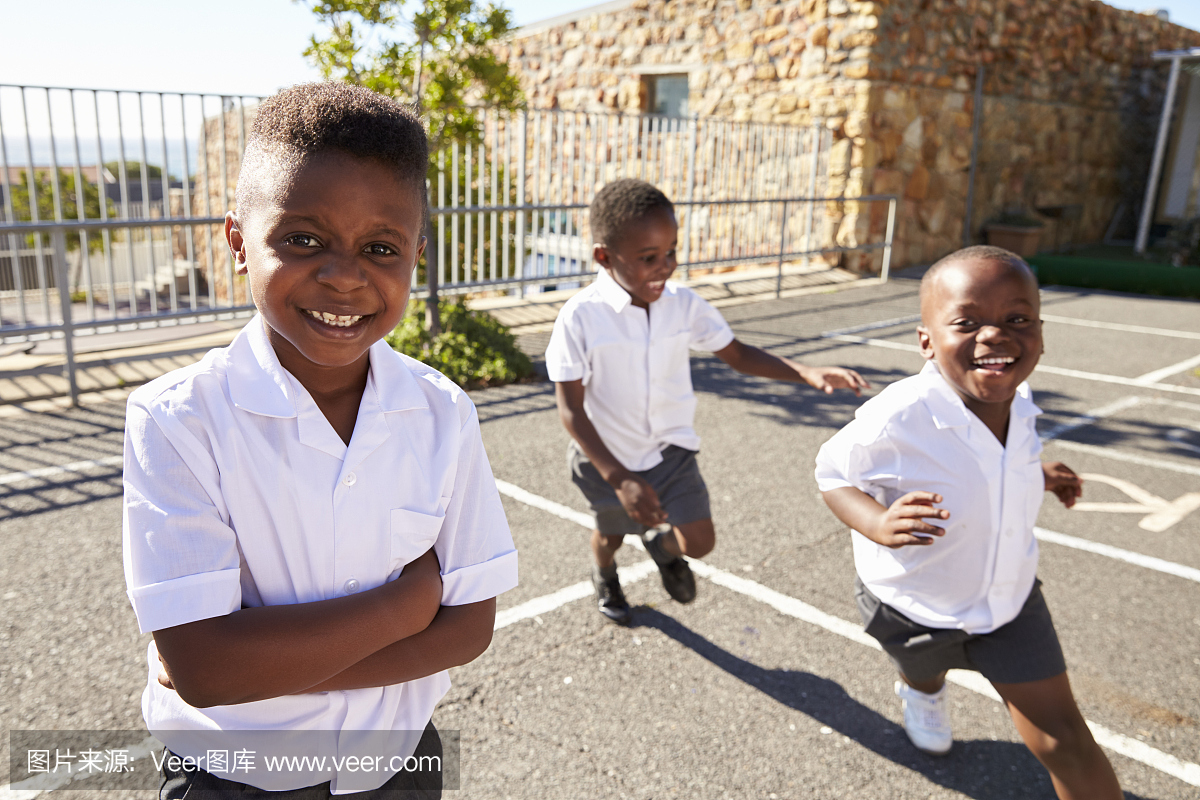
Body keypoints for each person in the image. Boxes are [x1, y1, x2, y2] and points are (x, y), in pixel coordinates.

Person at [121, 82, 518, 799]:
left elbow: (469, 627)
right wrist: (405, 608)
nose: (344, 276)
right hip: (232, 779)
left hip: (400, 765)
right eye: (303, 239)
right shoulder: (178, 420)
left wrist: (258, 668)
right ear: (240, 243)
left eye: (380, 247)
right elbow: (206, 672)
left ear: (415, 256)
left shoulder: (441, 413)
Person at [815, 246, 1121, 798]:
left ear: (1041, 332)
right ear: (926, 341)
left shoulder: (1019, 400)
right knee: (925, 672)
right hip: (913, 605)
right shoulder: (899, 415)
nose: (995, 335)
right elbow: (832, 473)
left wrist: (1036, 472)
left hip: (1010, 602)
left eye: (1017, 319)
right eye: (967, 321)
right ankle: (922, 691)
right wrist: (878, 522)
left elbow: (994, 458)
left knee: (1065, 743)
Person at [547, 178, 869, 625]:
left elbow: (736, 354)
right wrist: (620, 478)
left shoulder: (683, 304)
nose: (666, 267)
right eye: (648, 258)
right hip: (605, 456)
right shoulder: (580, 317)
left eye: (671, 252)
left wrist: (805, 372)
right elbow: (571, 411)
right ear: (604, 256)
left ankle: (663, 547)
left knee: (699, 540)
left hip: (670, 451)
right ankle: (605, 573)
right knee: (610, 534)